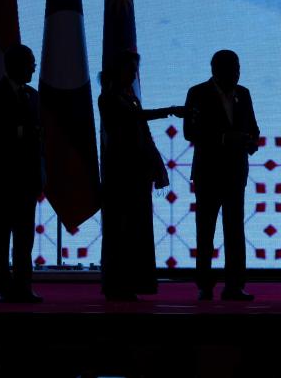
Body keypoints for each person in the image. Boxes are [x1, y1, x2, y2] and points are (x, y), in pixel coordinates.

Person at [99, 49, 183, 301]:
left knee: (135, 229)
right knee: (120, 230)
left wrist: (157, 166)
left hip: (137, 174)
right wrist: (168, 110)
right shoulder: (109, 98)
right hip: (120, 175)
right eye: (130, 69)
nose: (134, 74)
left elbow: (143, 135)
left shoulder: (131, 97)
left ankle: (133, 282)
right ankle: (116, 283)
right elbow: (132, 119)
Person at [184, 50, 260, 301]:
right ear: (216, 70)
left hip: (236, 172)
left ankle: (235, 285)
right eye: (232, 69)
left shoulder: (244, 94)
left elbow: (253, 127)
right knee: (205, 231)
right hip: (208, 172)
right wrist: (226, 138)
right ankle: (204, 285)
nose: (237, 74)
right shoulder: (197, 93)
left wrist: (250, 141)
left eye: (238, 68)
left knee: (235, 230)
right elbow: (190, 131)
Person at [0, 45, 44, 303]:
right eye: (30, 63)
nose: (33, 68)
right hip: (2, 177)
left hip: (27, 179)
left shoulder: (33, 96)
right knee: (0, 237)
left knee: (25, 238)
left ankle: (23, 286)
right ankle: (4, 288)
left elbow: (38, 136)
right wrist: (20, 132)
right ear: (15, 65)